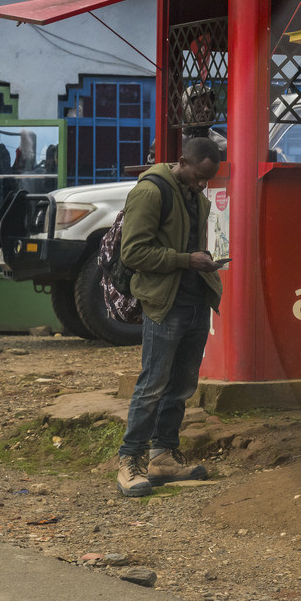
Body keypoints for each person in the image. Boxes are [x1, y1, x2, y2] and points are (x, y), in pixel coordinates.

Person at [115, 137, 224, 498]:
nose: (202, 184)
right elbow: (133, 252)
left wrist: (204, 259)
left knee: (181, 385)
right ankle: (129, 461)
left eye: (208, 179)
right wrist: (185, 260)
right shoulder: (151, 191)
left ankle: (163, 455)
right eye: (198, 176)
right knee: (152, 384)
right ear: (182, 162)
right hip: (165, 302)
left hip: (195, 300)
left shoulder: (192, 194)